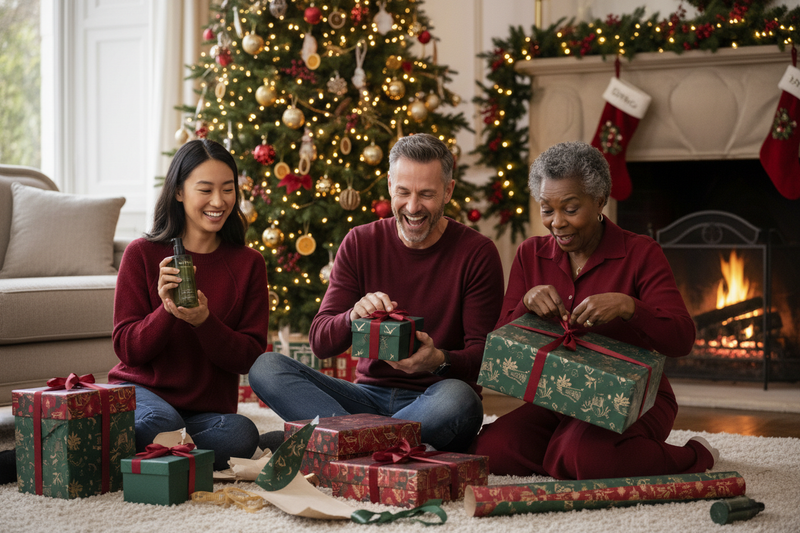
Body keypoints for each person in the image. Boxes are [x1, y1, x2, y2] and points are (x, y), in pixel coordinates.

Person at [473, 141, 719, 479]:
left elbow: (681, 339)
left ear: (600, 200)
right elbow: (499, 339)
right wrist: (526, 303)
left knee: (585, 454)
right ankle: (572, 454)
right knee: (492, 450)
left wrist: (629, 306)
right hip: (559, 395)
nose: (557, 222)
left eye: (571, 209)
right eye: (547, 209)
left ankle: (696, 455)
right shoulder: (530, 253)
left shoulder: (641, 253)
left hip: (636, 398)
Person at [249, 134, 504, 452]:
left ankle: (332, 442)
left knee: (461, 399)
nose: (413, 207)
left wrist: (439, 361)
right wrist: (352, 316)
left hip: (435, 400)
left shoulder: (477, 253)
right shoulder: (360, 242)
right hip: (365, 399)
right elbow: (320, 342)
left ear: (448, 191)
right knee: (267, 367)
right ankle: (373, 447)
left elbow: (486, 360)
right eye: (403, 192)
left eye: (426, 194)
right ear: (389, 185)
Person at [108, 139, 270, 470]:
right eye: (205, 190)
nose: (219, 201)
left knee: (241, 434)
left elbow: (248, 357)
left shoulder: (249, 263)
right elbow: (127, 350)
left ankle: (144, 454)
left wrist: (204, 321)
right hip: (144, 397)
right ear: (179, 192)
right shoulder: (141, 254)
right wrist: (166, 311)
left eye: (228, 189)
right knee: (161, 422)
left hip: (206, 413)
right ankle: (167, 453)